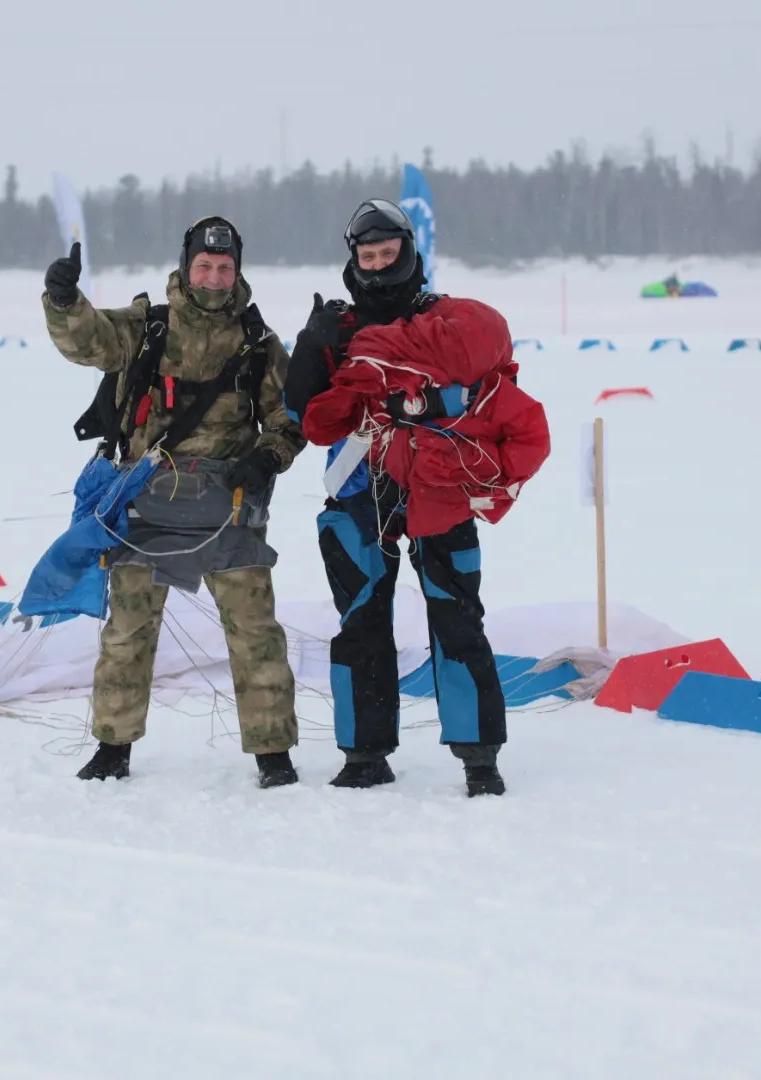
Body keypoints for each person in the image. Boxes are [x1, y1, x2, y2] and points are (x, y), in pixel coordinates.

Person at [285, 199, 551, 798]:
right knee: (360, 620)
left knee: (456, 617)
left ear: (410, 255)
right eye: (368, 257)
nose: (378, 267)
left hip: (440, 488)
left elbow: (490, 380)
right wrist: (309, 350)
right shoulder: (339, 329)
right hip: (359, 484)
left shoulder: (451, 320)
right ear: (353, 262)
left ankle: (479, 757)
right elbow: (305, 417)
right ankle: (363, 754)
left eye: (389, 255)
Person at [42, 217, 307, 788]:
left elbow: (288, 418)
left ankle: (273, 754)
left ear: (238, 271)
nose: (214, 278)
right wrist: (64, 299)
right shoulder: (147, 328)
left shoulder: (259, 342)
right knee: (128, 633)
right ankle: (112, 749)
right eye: (204, 266)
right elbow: (89, 341)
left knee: (257, 633)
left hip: (229, 507)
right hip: (147, 502)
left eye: (225, 267)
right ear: (187, 267)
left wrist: (267, 456)